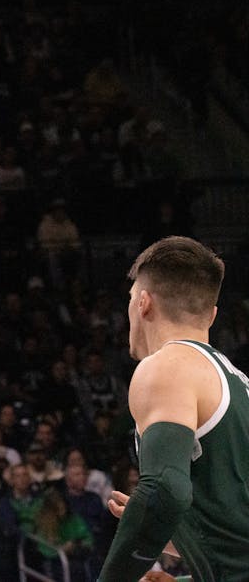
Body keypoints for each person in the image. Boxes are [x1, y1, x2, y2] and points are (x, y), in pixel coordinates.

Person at [99, 236, 249, 581]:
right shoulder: (237, 382)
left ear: (143, 303)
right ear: (211, 315)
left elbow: (165, 491)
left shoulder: (166, 366)